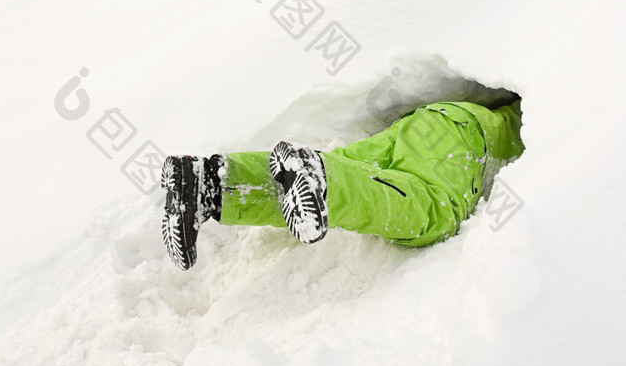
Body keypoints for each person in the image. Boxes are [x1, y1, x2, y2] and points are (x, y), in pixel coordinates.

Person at [160, 97, 524, 270]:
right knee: (431, 208)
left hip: (428, 121)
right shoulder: (546, 116)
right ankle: (322, 180)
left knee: (352, 167)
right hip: (463, 137)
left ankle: (208, 183)